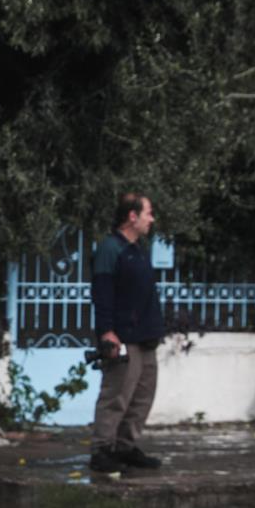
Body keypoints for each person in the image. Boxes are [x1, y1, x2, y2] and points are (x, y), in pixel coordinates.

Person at [89, 192, 166, 473]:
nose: (151, 219)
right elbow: (103, 293)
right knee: (116, 396)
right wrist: (107, 331)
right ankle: (102, 450)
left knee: (142, 395)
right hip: (123, 338)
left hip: (146, 337)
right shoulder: (111, 249)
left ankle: (125, 446)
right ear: (132, 216)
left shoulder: (137, 249)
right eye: (148, 213)